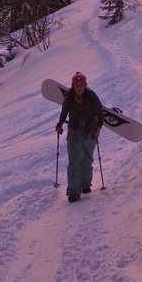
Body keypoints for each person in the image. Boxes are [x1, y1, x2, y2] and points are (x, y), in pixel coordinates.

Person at [55, 72, 103, 202]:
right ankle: (74, 192)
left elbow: (100, 113)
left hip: (90, 130)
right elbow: (64, 112)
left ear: (85, 85)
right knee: (74, 161)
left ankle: (85, 184)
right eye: (77, 85)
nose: (79, 88)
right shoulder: (69, 97)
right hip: (74, 130)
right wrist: (60, 124)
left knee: (87, 159)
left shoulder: (92, 96)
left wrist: (98, 129)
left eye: (81, 85)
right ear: (73, 86)